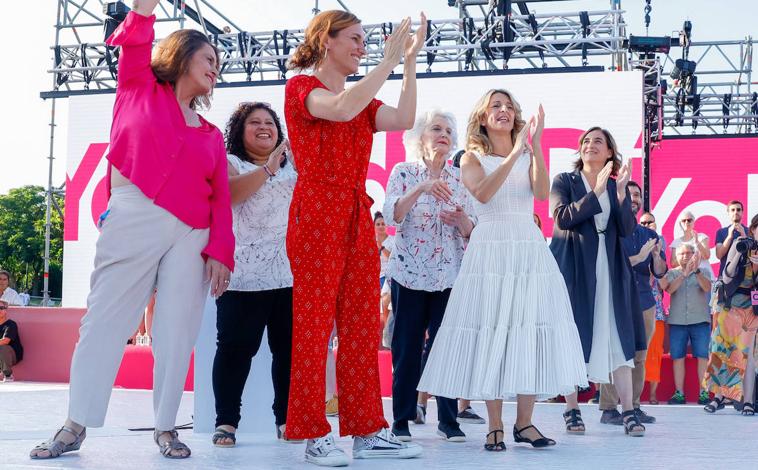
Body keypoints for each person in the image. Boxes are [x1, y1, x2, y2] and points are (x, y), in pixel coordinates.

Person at [30, 0, 234, 459]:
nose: (215, 69)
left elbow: (221, 196)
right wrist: (144, 7)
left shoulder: (210, 133)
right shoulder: (138, 85)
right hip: (132, 214)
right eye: (209, 60)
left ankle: (166, 428)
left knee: (176, 330)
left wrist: (221, 249)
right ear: (183, 56)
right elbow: (137, 36)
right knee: (103, 321)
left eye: (218, 65)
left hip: (192, 231)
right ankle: (74, 424)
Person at [283, 10, 426, 466]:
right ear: (327, 40)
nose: (362, 46)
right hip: (317, 210)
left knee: (362, 326)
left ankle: (367, 429)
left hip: (354, 212)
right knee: (313, 326)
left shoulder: (362, 100)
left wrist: (407, 60)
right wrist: (385, 62)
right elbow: (340, 109)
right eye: (355, 38)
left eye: (367, 40)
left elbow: (404, 117)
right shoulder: (302, 88)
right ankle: (312, 435)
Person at [419, 90, 587, 451]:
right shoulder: (471, 158)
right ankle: (494, 425)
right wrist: (514, 154)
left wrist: (536, 146)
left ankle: (524, 423)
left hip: (527, 245)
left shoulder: (526, 153)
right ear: (482, 116)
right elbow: (482, 194)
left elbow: (541, 192)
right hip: (491, 247)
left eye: (509, 106)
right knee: (492, 330)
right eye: (496, 105)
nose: (504, 111)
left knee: (529, 328)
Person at [383, 109, 474, 443]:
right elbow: (392, 216)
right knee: (406, 348)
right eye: (436, 128)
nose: (444, 134)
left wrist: (462, 220)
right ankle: (402, 419)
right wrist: (422, 187)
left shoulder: (460, 179)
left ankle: (449, 420)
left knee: (446, 348)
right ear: (419, 136)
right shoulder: (403, 172)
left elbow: (471, 231)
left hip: (448, 276)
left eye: (449, 130)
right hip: (408, 274)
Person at [550, 127, 647, 437]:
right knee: (573, 337)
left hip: (612, 270)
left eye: (598, 142)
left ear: (610, 153)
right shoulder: (565, 181)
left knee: (619, 337)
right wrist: (597, 191)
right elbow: (562, 217)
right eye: (586, 141)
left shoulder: (617, 186)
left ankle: (628, 409)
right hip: (577, 270)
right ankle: (571, 408)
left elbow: (627, 229)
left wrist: (618, 194)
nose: (590, 145)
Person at [211, 102, 298, 448]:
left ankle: (286, 420)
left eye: (270, 122)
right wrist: (269, 169)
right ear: (240, 131)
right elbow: (229, 196)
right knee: (235, 350)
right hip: (244, 275)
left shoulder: (294, 168)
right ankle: (227, 422)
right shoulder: (231, 163)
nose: (264, 127)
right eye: (255, 123)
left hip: (290, 275)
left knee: (289, 353)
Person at [598, 181, 666, 426]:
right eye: (629, 194)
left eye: (637, 194)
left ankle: (633, 407)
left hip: (644, 302)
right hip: (616, 299)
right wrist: (637, 257)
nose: (634, 198)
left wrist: (656, 258)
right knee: (614, 354)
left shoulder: (650, 235)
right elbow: (610, 263)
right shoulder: (610, 230)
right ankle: (608, 408)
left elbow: (659, 272)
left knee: (639, 356)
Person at [702, 213, 758, 415]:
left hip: (753, 308)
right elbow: (726, 277)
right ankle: (718, 397)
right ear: (752, 230)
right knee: (722, 350)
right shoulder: (740, 243)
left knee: (748, 355)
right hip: (731, 303)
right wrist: (738, 255)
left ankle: (748, 402)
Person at [659, 244, 712, 405]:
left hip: (700, 320)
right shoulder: (672, 273)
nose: (686, 256)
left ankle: (704, 392)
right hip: (677, 321)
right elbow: (668, 290)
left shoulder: (704, 271)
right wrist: (684, 274)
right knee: (678, 357)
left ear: (695, 255)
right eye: (682, 253)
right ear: (677, 256)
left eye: (689, 253)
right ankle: (679, 393)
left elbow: (707, 287)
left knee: (703, 356)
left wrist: (695, 271)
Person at [639, 212, 667, 405]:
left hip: (655, 307)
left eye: (650, 222)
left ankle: (652, 395)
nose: (647, 225)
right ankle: (631, 397)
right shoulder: (633, 238)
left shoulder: (659, 242)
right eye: (643, 222)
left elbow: (663, 278)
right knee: (634, 353)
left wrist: (655, 255)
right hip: (633, 304)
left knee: (654, 353)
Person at [670, 210, 713, 278]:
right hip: (686, 279)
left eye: (689, 220)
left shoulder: (701, 237)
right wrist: (690, 258)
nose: (686, 222)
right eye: (684, 221)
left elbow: (706, 256)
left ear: (693, 222)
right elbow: (673, 264)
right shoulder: (676, 242)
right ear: (680, 223)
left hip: (704, 276)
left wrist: (697, 242)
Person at [714, 200, 749, 276]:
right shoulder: (721, 232)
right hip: (725, 276)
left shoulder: (750, 231)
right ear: (729, 213)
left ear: (742, 212)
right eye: (732, 210)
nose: (736, 212)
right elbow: (719, 255)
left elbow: (751, 255)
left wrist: (743, 234)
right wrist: (729, 236)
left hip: (745, 278)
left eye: (738, 210)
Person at [0, 300, 23, 382]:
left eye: (1, 308)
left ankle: (8, 375)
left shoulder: (10, 324)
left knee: (2, 347)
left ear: (6, 310)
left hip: (12, 355)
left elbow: (5, 341)